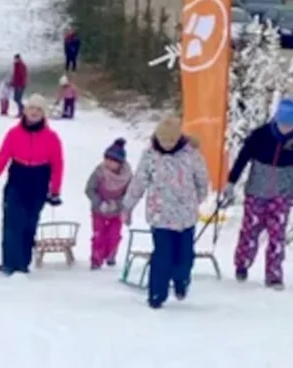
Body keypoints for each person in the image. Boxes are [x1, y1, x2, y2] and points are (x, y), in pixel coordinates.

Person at [122, 116, 209, 308]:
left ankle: (181, 281)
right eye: (163, 140)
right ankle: (156, 294)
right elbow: (139, 182)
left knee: (185, 255)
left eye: (171, 140)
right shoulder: (150, 155)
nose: (167, 144)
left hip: (185, 216)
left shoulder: (191, 154)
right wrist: (128, 206)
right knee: (162, 255)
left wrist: (197, 199)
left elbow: (202, 180)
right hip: (160, 215)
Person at [0, 94, 65, 276]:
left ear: (43, 115)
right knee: (12, 222)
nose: (34, 112)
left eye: (39, 110)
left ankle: (23, 262)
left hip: (38, 181)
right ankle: (9, 262)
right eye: (31, 108)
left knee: (29, 224)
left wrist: (55, 191)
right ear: (25, 111)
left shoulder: (51, 138)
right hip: (17, 178)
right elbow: (1, 160)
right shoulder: (13, 134)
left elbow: (58, 165)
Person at [225, 97, 293, 289]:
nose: (286, 128)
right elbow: (242, 158)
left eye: (290, 125)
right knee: (250, 230)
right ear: (276, 120)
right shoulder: (260, 135)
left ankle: (273, 275)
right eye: (283, 123)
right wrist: (231, 181)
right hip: (257, 190)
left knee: (277, 234)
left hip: (283, 193)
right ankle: (242, 264)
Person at [85, 138, 132, 269]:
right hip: (99, 209)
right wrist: (99, 202)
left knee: (114, 235)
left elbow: (129, 194)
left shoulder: (127, 176)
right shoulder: (99, 172)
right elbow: (89, 189)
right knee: (98, 235)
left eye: (112, 161)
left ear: (120, 163)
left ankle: (111, 254)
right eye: (107, 159)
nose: (108, 163)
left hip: (117, 210)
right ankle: (96, 259)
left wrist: (119, 204)